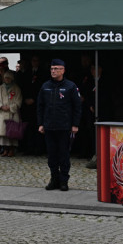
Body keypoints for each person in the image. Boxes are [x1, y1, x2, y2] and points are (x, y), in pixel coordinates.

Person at [37, 58, 83, 191]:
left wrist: (75, 124)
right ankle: (54, 179)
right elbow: (40, 106)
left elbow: (77, 107)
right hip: (49, 126)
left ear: (63, 70)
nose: (53, 71)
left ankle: (64, 180)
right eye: (52, 69)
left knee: (63, 155)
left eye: (56, 69)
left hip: (64, 126)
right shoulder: (45, 86)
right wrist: (40, 123)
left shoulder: (70, 86)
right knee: (51, 155)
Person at [0, 70, 22, 157]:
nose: (7, 79)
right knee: (3, 133)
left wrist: (11, 107)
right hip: (2, 113)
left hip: (12, 113)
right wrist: (1, 106)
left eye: (8, 78)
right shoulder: (0, 88)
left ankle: (12, 149)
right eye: (5, 78)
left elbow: (19, 100)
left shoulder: (16, 88)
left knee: (12, 132)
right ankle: (5, 149)